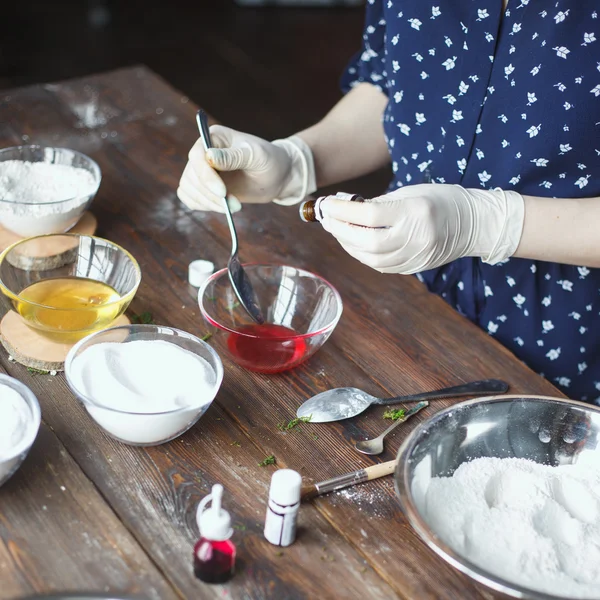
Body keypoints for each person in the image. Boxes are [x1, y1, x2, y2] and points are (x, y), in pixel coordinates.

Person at [178, 1, 600, 402]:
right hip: (415, 306)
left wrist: (486, 223)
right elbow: (397, 87)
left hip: (569, 355)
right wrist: (296, 161)